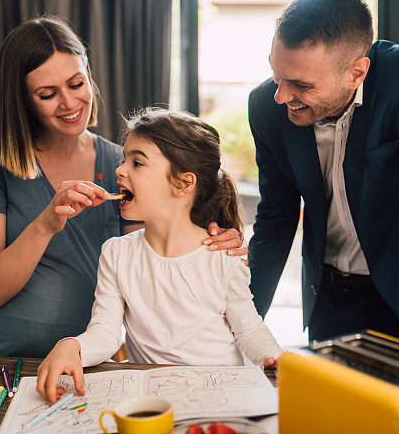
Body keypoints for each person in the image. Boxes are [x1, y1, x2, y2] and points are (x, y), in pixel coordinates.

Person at [0, 17, 246, 357]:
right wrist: (45, 225)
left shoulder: (122, 165)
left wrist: (211, 245)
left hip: (80, 365)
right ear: (22, 99)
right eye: (47, 94)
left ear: (88, 74)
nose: (69, 103)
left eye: (76, 83)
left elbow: (153, 263)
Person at [247, 0, 399, 356]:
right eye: (278, 76)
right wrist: (241, 319)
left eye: (301, 85)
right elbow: (276, 216)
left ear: (357, 72)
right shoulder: (265, 106)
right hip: (329, 298)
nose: (281, 96)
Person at [35, 108, 282, 403]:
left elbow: (249, 329)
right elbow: (106, 332)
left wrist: (276, 358)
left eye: (137, 163)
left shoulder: (222, 255)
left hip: (220, 398)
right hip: (155, 399)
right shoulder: (116, 253)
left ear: (183, 183)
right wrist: (72, 345)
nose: (120, 170)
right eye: (123, 160)